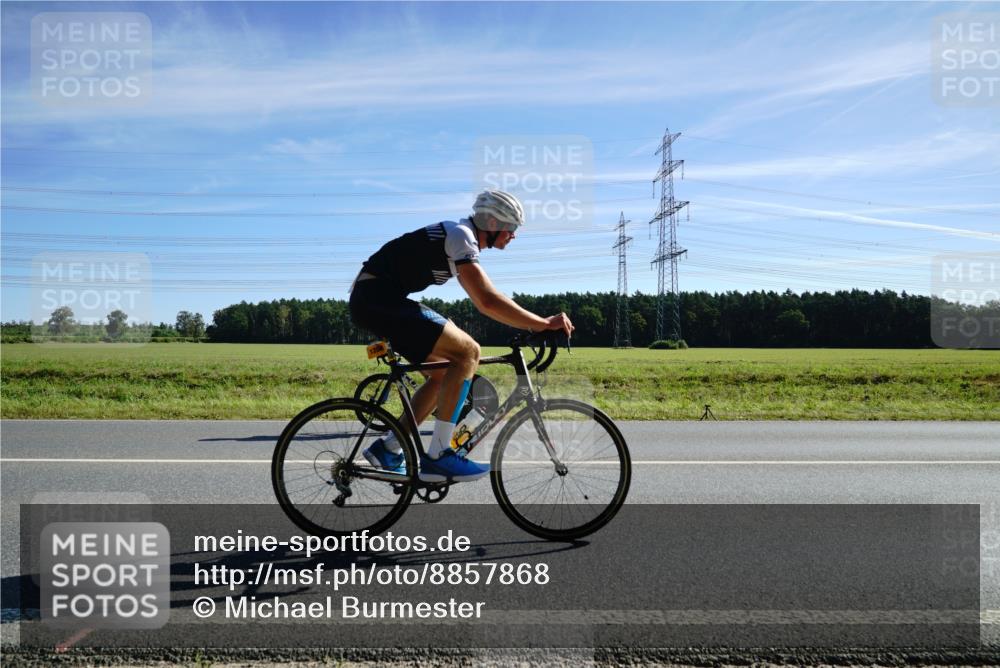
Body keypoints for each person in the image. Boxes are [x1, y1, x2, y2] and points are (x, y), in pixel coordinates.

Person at [348, 190, 574, 482]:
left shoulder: (460, 237)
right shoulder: (461, 235)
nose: (514, 235)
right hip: (377, 300)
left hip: (378, 300)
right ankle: (440, 455)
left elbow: (487, 301)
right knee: (469, 352)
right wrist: (542, 323)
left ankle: (389, 448)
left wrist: (533, 324)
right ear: (492, 222)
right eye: (512, 228)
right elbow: (487, 301)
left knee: (444, 374)